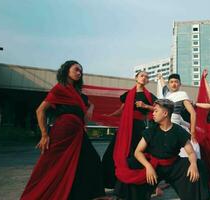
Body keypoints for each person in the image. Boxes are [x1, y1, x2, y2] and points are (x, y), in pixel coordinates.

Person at [21, 60, 106, 200]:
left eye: (81, 71)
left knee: (91, 160)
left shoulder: (78, 94)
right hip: (63, 132)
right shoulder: (60, 88)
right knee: (52, 165)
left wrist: (91, 107)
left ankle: (87, 194)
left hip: (78, 131)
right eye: (76, 69)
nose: (79, 73)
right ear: (67, 70)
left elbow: (87, 111)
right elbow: (40, 110)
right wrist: (44, 135)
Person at [134, 99, 210, 200]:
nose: (153, 114)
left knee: (199, 165)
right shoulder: (151, 130)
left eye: (156, 111)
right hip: (155, 166)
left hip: (174, 166)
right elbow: (137, 152)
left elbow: (191, 153)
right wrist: (148, 166)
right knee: (132, 164)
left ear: (165, 113)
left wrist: (193, 165)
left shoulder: (179, 131)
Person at [101, 71, 157, 199]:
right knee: (114, 152)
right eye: (142, 75)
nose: (144, 78)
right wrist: (109, 116)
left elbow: (158, 109)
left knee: (137, 155)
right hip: (125, 127)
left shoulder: (149, 96)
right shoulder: (127, 95)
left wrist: (145, 106)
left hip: (139, 127)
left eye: (147, 77)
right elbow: (122, 110)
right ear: (136, 78)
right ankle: (115, 183)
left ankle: (143, 185)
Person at [157, 73, 201, 159]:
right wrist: (160, 77)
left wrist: (192, 133)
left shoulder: (182, 95)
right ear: (169, 84)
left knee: (183, 153)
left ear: (180, 84)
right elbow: (163, 85)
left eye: (176, 82)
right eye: (171, 82)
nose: (174, 84)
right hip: (163, 125)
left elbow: (193, 113)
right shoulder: (167, 94)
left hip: (176, 126)